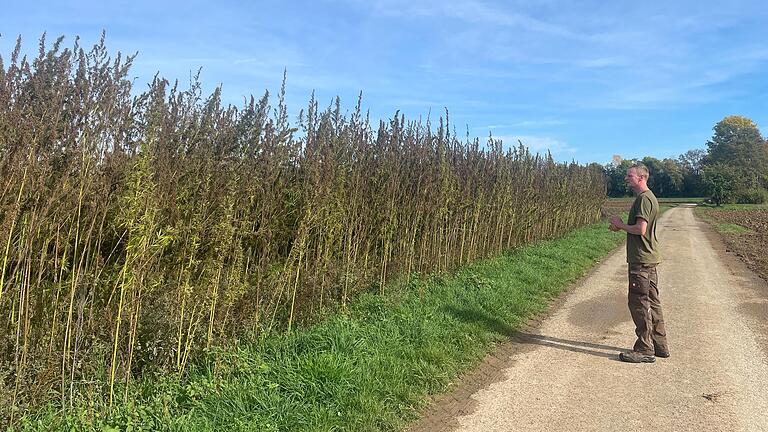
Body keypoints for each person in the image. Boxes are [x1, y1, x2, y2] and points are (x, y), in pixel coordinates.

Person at [609, 163, 669, 363]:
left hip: (641, 260)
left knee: (639, 303)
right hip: (648, 258)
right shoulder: (648, 198)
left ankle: (644, 349)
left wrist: (620, 225)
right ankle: (660, 346)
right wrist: (623, 227)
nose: (626, 178)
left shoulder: (644, 199)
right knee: (652, 302)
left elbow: (640, 229)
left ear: (641, 178)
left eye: (629, 176)